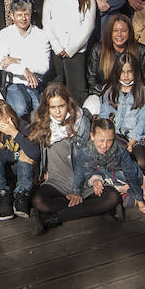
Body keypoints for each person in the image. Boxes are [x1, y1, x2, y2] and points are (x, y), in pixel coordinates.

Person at [26, 83, 115, 234]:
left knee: (111, 196)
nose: (58, 111)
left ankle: (51, 219)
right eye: (53, 107)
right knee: (38, 201)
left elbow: (90, 154)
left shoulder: (81, 122)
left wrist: (84, 185)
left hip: (81, 178)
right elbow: (35, 152)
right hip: (57, 180)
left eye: (61, 105)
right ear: (47, 107)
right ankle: (94, 209)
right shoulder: (41, 123)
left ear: (68, 103)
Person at [72, 118, 145, 224]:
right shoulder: (85, 151)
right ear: (92, 136)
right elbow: (82, 171)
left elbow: (131, 175)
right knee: (128, 203)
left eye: (109, 140)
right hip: (115, 183)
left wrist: (141, 203)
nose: (105, 145)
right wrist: (87, 184)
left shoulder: (120, 150)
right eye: (101, 140)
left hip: (131, 179)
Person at [41, 0, 96, 103]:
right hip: (56, 50)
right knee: (56, 88)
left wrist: (72, 48)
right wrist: (57, 46)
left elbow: (89, 25)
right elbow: (46, 20)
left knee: (77, 90)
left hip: (76, 51)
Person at [0, 0, 52, 119]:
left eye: (26, 14)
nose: (23, 18)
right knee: (20, 109)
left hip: (36, 83)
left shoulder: (41, 35)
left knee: (40, 118)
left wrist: (16, 61)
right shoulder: (5, 33)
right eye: (19, 15)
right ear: (11, 16)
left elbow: (44, 66)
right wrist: (23, 69)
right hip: (14, 82)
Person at [97, 52, 145, 171]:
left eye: (130, 71)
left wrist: (131, 143)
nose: (126, 75)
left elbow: (143, 121)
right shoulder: (108, 90)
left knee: (142, 162)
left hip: (135, 138)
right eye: (122, 72)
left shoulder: (144, 92)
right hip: (115, 135)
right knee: (112, 158)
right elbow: (104, 116)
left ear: (136, 72)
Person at [0, 100, 37, 221]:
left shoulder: (22, 126)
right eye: (4, 123)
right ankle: (2, 193)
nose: (9, 124)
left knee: (27, 155)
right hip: (4, 169)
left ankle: (22, 194)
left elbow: (35, 153)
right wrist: (17, 155)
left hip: (21, 169)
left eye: (11, 119)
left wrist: (15, 133)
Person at [84, 14, 145, 116]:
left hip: (130, 96)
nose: (119, 35)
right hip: (102, 94)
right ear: (110, 32)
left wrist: (124, 96)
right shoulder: (98, 49)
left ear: (129, 32)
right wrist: (110, 95)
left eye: (123, 31)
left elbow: (143, 79)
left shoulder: (140, 50)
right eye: (115, 30)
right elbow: (92, 81)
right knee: (89, 106)